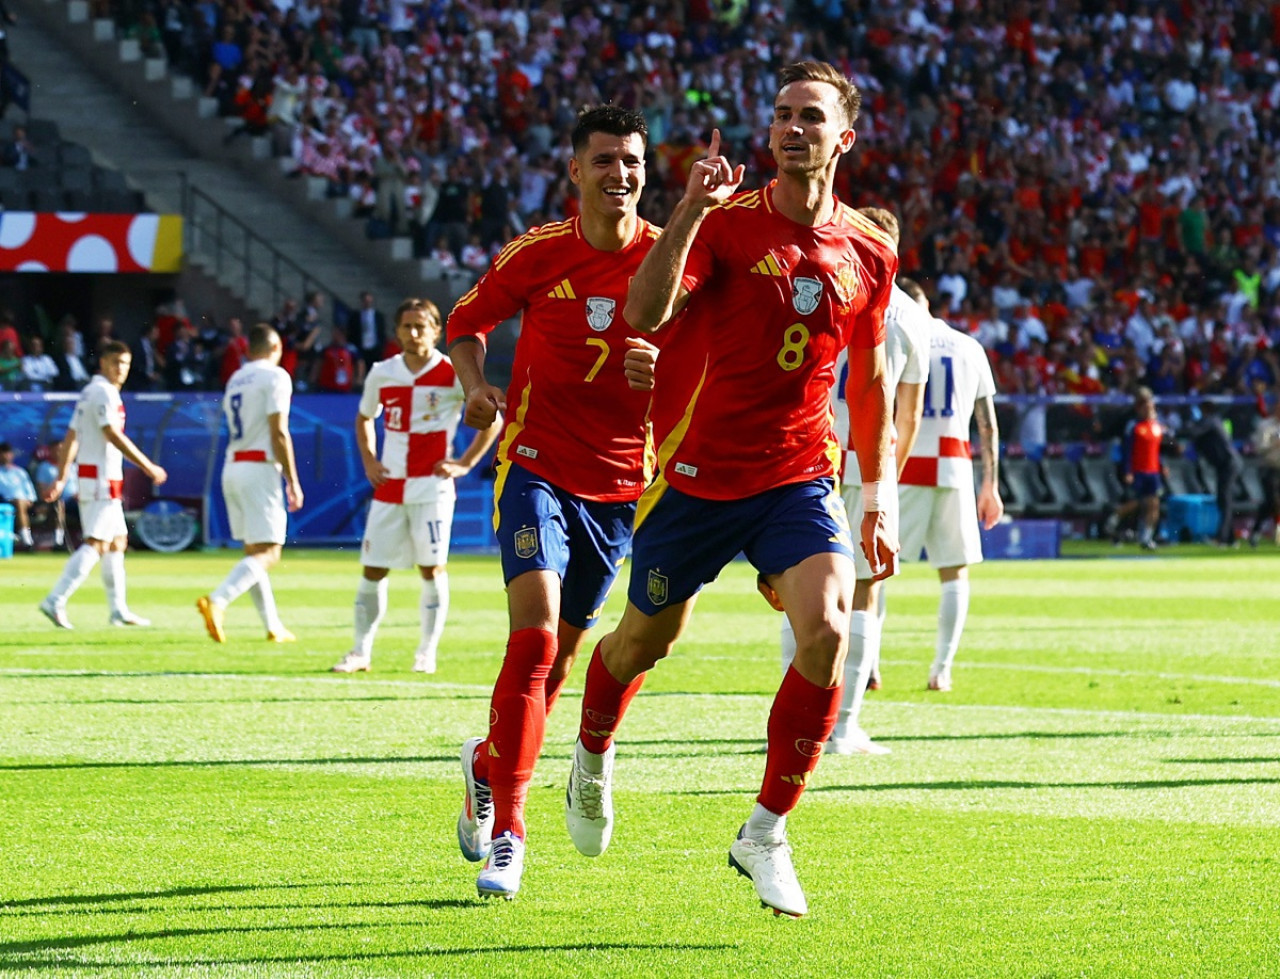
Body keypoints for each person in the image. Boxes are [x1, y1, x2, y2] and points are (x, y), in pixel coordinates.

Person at [562, 62, 899, 918]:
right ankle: (593, 750)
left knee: (828, 630)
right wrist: (686, 210)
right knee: (643, 642)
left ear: (843, 136)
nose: (792, 128)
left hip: (797, 476)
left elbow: (869, 382)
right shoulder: (726, 225)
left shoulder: (870, 248)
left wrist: (880, 492)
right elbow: (642, 312)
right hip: (695, 476)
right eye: (782, 114)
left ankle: (766, 830)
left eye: (811, 117)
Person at [444, 105, 663, 901]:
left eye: (632, 161)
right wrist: (475, 388)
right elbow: (465, 323)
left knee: (561, 666)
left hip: (619, 492)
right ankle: (510, 832)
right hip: (534, 468)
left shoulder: (672, 260)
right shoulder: (541, 253)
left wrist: (662, 375)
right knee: (533, 643)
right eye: (604, 160)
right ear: (577, 170)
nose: (620, 174)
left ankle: (483, 764)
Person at [772, 211, 930, 755]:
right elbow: (905, 416)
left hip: (806, 457)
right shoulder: (909, 317)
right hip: (862, 463)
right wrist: (885, 487)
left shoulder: (818, 281)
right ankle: (843, 727)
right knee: (863, 591)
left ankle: (790, 716)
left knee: (802, 591)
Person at [331, 298, 501, 675]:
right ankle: (360, 651)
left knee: (432, 569)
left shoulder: (451, 372)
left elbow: (492, 418)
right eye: (406, 326)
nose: (413, 333)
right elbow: (363, 419)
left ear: (437, 331)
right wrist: (370, 462)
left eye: (421, 326)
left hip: (432, 487)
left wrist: (466, 463)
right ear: (396, 331)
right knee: (373, 569)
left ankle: (426, 651)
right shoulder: (382, 372)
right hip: (390, 485)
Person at [887, 288, 1004, 693]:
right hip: (955, 466)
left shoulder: (898, 335)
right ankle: (942, 669)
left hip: (906, 463)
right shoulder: (969, 346)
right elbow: (988, 425)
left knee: (877, 572)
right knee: (954, 572)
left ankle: (867, 668)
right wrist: (991, 483)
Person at [38, 341, 168, 628]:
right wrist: (147, 465)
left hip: (99, 477)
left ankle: (118, 609)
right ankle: (55, 599)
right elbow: (112, 434)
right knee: (96, 542)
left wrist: (61, 477)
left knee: (117, 542)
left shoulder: (90, 392)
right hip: (99, 479)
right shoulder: (103, 392)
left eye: (125, 364)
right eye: (115, 362)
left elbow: (72, 436)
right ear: (103, 363)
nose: (121, 369)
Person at [196, 324, 304, 643]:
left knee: (254, 552)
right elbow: (279, 431)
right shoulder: (276, 376)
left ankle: (272, 625)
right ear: (276, 349)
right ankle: (218, 600)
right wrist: (292, 479)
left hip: (233, 465)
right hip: (259, 467)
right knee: (270, 553)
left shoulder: (236, 378)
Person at [1107, 387, 1166, 550]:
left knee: (1154, 504)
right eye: (1147, 406)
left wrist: (1162, 466)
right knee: (1136, 502)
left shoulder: (1156, 426)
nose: (1150, 409)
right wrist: (1128, 471)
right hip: (1138, 470)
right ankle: (1114, 518)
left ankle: (1146, 538)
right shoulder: (1133, 426)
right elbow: (1128, 450)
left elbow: (1156, 450)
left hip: (1153, 471)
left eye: (1152, 406)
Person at [1186, 404, 1242, 546]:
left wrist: (1183, 428)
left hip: (1229, 464)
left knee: (1225, 499)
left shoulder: (1212, 421)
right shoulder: (1213, 422)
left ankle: (1222, 538)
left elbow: (1194, 432)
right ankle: (1229, 538)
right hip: (1224, 465)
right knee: (1223, 499)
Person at [1249, 397, 1280, 546]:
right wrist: (1275, 444)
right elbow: (1260, 448)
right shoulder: (1266, 426)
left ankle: (1265, 532)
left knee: (1269, 504)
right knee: (1272, 502)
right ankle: (1257, 532)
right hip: (1269, 469)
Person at [0, 441, 36, 548]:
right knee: (19, 502)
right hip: (4, 501)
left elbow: (30, 492)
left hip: (23, 502)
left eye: (8, 453)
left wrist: (30, 499)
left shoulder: (20, 472)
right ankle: (27, 539)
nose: (6, 456)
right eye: (3, 453)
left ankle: (24, 537)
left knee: (20, 503)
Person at [347, 291, 386, 377]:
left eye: (369, 301)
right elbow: (352, 331)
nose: (367, 303)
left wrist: (381, 345)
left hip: (374, 347)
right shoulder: (356, 316)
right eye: (365, 301)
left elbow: (381, 332)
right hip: (361, 346)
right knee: (361, 368)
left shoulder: (378, 316)